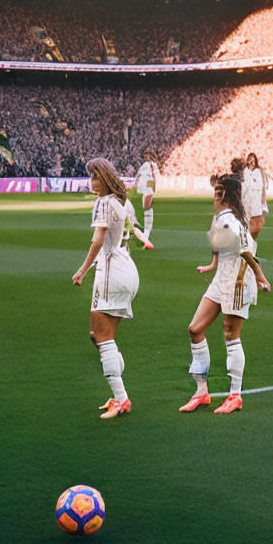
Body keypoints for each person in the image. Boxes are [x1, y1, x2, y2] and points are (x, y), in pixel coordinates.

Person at [181, 175, 271, 414]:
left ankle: (235, 395)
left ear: (225, 195)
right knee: (195, 329)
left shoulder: (230, 220)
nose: (213, 194)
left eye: (217, 191)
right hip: (221, 277)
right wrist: (212, 265)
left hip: (237, 280)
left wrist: (260, 276)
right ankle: (202, 392)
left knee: (231, 336)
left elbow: (245, 251)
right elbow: (222, 248)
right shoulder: (221, 218)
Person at [72, 158, 140, 419]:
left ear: (106, 179)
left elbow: (98, 241)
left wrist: (82, 269)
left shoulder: (102, 203)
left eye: (95, 177)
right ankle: (117, 393)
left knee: (103, 338)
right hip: (129, 271)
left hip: (110, 273)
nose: (92, 183)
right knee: (106, 337)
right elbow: (132, 232)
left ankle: (122, 399)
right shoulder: (123, 202)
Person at [135, 150, 161, 244]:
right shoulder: (148, 165)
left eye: (145, 155)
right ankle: (146, 231)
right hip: (146, 186)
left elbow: (153, 176)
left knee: (146, 207)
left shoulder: (151, 165)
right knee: (145, 207)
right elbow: (139, 175)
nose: (144, 157)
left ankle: (146, 232)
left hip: (148, 186)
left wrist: (154, 186)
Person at [243, 153, 266, 240]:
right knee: (247, 224)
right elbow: (244, 186)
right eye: (250, 159)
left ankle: (252, 243)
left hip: (256, 201)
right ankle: (246, 245)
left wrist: (263, 201)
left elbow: (261, 186)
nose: (251, 162)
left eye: (253, 159)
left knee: (257, 224)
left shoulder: (259, 172)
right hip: (246, 201)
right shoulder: (245, 171)